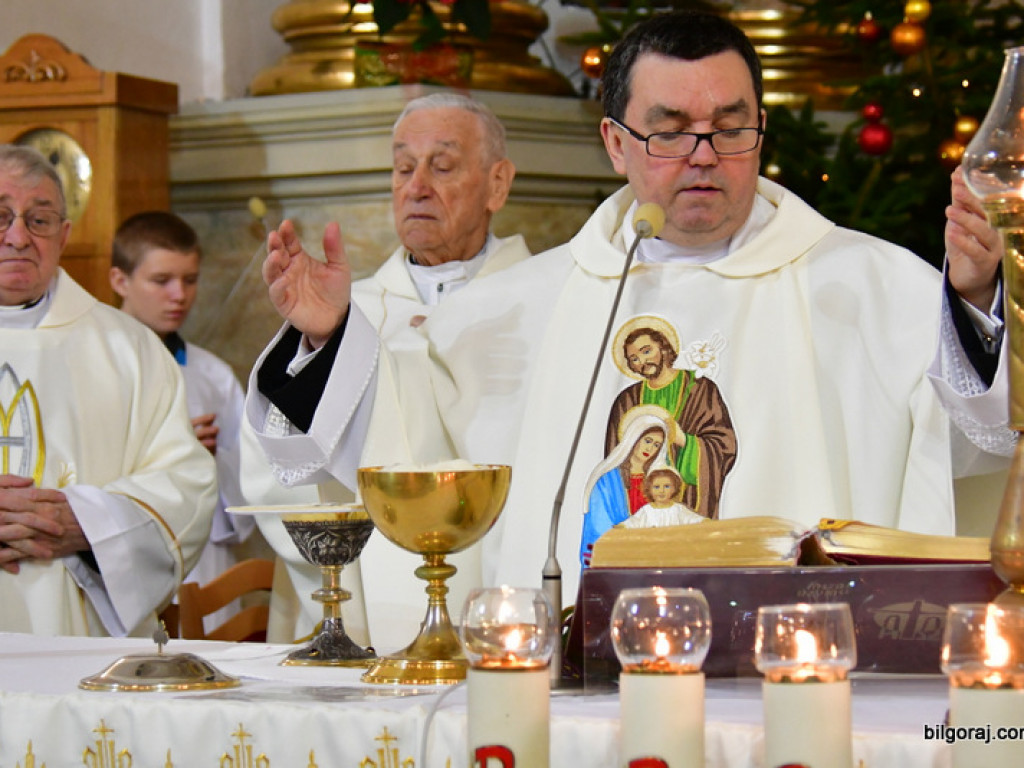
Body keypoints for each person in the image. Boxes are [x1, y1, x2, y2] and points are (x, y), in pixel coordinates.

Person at [245, 11, 1014, 613]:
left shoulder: (869, 283)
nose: (705, 153)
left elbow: (975, 444)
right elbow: (407, 450)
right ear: (616, 143)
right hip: (581, 679)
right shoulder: (515, 309)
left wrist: (974, 299)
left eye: (731, 127)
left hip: (801, 671)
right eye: (671, 130)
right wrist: (328, 340)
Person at [241, 92, 528, 647]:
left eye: (441, 166)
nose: (416, 186)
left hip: (504, 609)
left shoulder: (544, 302)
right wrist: (326, 343)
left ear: (497, 184)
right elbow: (277, 468)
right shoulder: (350, 311)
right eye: (403, 167)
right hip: (362, 614)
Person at [0, 144, 217, 636]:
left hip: (80, 634)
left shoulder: (130, 350)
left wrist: (86, 523)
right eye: (1, 216)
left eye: (39, 220)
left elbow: (187, 487)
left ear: (65, 235)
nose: (18, 236)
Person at [110, 211, 251, 632]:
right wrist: (170, 447)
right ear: (120, 281)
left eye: (190, 279)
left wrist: (207, 460)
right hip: (121, 560)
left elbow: (249, 484)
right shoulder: (93, 365)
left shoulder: (213, 375)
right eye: (162, 280)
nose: (179, 295)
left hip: (204, 561)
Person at [605, 315, 736, 519]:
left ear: (664, 348)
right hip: (640, 500)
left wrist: (683, 440)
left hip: (688, 498)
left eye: (646, 351)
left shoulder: (700, 389)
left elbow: (724, 445)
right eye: (634, 359)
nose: (642, 361)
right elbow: (614, 457)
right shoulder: (627, 400)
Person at [580, 408, 671, 568]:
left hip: (652, 560)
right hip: (618, 559)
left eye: (657, 445)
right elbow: (598, 527)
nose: (650, 449)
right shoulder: (607, 481)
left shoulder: (658, 481)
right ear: (635, 438)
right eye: (647, 441)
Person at [621, 465, 706, 530]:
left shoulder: (678, 509)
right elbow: (632, 523)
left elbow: (694, 519)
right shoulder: (646, 510)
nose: (661, 491)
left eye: (667, 486)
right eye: (656, 487)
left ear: (674, 488)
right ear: (649, 489)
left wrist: (705, 521)